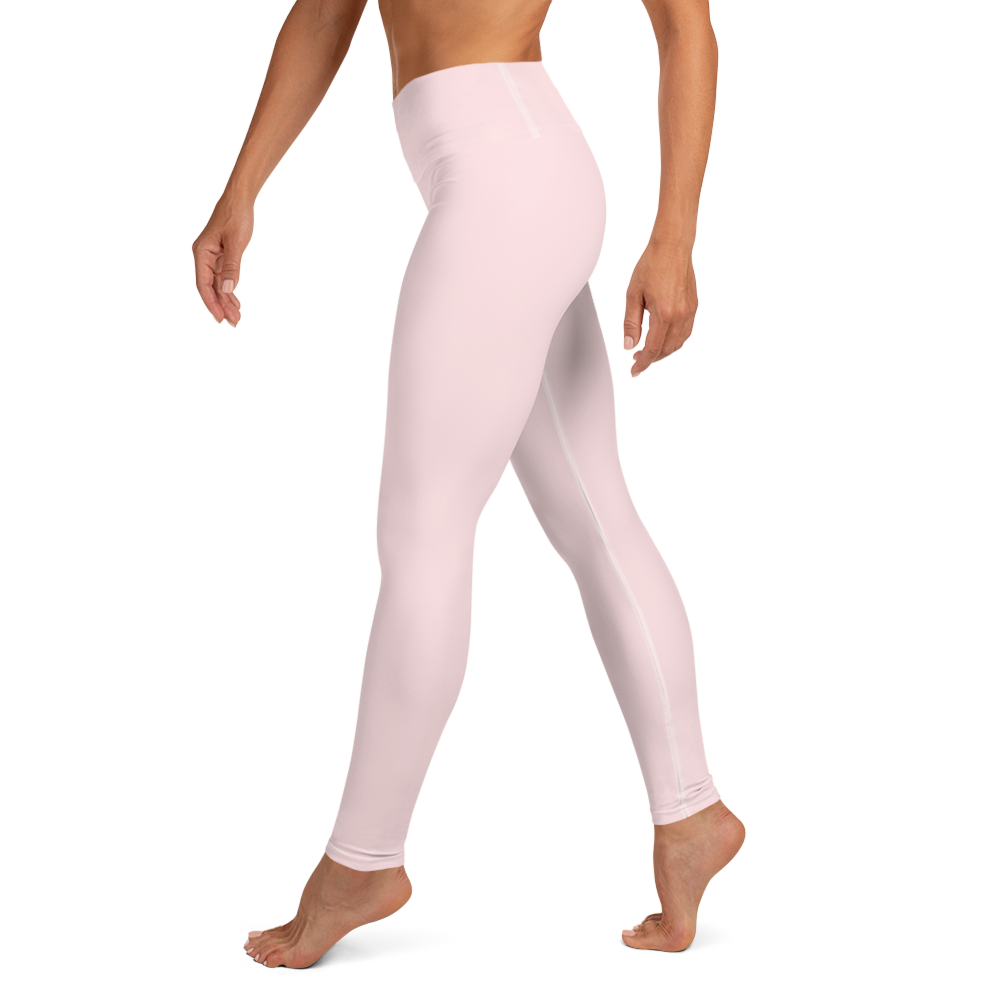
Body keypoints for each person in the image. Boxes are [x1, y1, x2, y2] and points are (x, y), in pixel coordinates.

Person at [191, 0, 744, 965]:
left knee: (424, 538)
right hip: (502, 177)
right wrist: (241, 190)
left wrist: (675, 238)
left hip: (508, 180)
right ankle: (691, 812)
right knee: (594, 515)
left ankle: (363, 861)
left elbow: (685, 24)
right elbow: (325, 12)